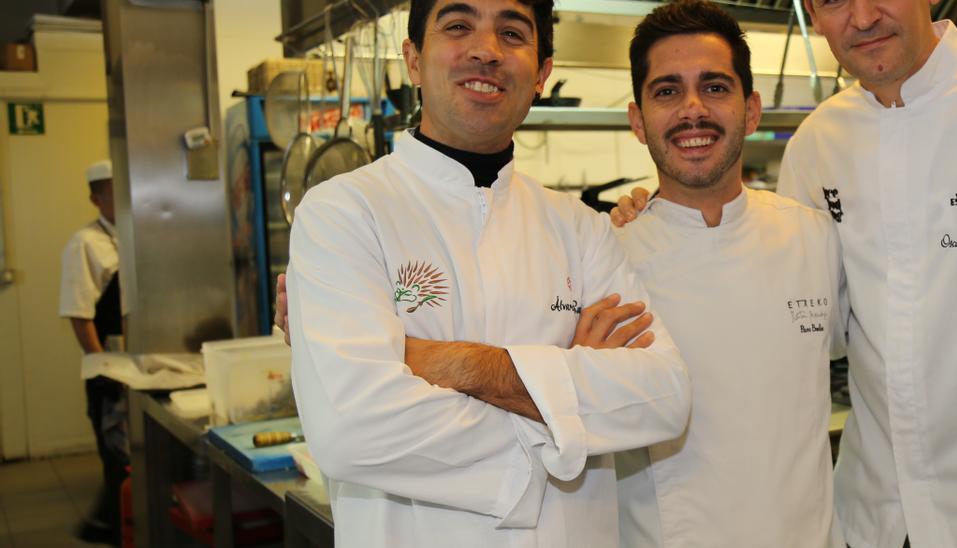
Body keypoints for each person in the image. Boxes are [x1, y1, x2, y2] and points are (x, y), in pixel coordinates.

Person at [616, 1, 957, 546]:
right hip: (875, 525)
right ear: (813, 15)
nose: (862, 18)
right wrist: (669, 228)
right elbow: (812, 318)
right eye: (834, 0)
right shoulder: (818, 144)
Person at [285, 0, 691, 545]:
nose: (485, 50)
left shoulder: (581, 228)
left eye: (512, 32)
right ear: (413, 59)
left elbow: (662, 398)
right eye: (458, 26)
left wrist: (449, 362)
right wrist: (567, 405)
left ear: (542, 72)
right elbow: (351, 430)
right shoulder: (343, 212)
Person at [611, 2, 844, 546]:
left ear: (752, 110)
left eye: (714, 87)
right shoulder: (605, 257)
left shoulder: (815, 239)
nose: (693, 110)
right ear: (638, 121)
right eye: (667, 91)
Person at [59, 159, 128, 545]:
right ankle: (113, 531)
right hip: (106, 368)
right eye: (112, 192)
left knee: (129, 463)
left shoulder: (129, 235)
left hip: (129, 364)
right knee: (116, 462)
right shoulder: (85, 244)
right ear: (95, 198)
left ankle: (118, 526)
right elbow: (79, 313)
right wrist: (103, 366)